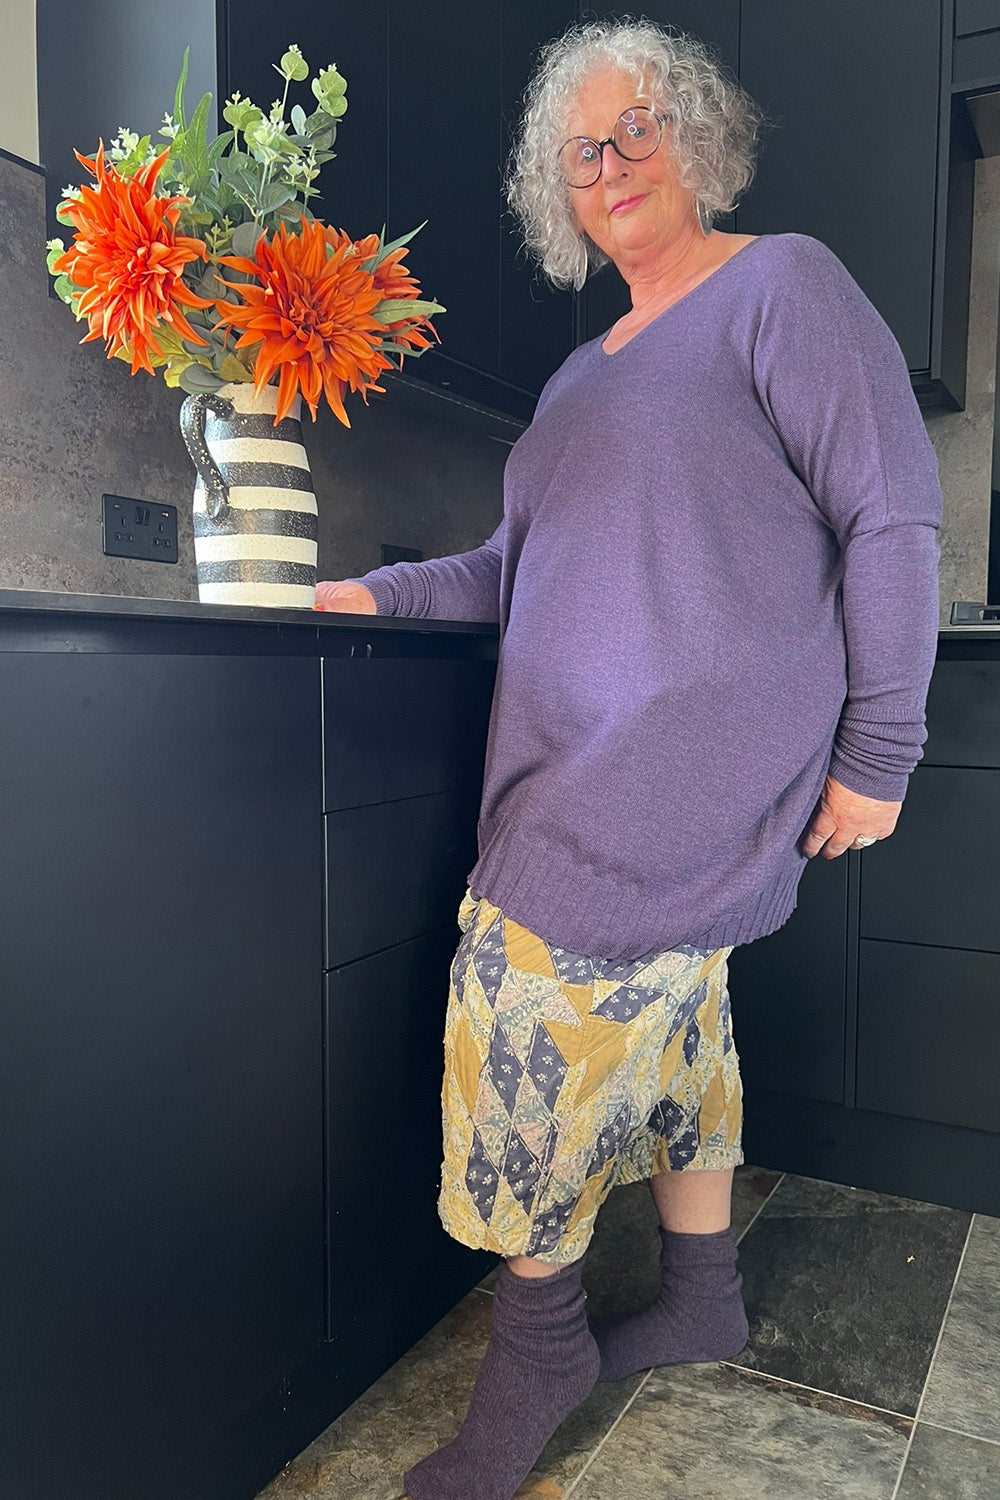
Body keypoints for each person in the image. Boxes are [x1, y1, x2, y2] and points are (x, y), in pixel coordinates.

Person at [316, 18, 942, 1500]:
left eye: (634, 129)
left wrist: (881, 749)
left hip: (673, 767)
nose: (608, 166)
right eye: (579, 152)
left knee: (518, 1006)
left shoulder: (783, 286)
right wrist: (377, 594)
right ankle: (704, 1295)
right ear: (561, 196)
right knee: (680, 1026)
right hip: (578, 759)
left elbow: (892, 512)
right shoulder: (575, 380)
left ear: (695, 137)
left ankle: (540, 1353)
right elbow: (509, 567)